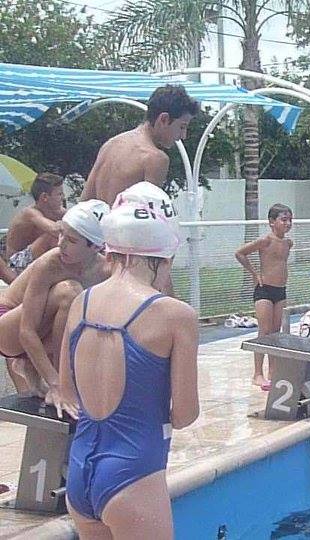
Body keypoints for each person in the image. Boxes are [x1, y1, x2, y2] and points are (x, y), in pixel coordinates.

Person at [59, 197, 198, 538]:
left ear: (111, 254)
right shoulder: (176, 315)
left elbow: (67, 392)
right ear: (162, 260)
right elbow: (184, 415)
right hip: (134, 475)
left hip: (79, 472)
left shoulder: (81, 302)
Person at [0, 200, 111, 404]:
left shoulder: (106, 271)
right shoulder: (51, 263)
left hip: (38, 331)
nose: (60, 244)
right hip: (7, 324)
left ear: (96, 246)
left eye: (71, 240)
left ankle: (31, 365)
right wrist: (57, 385)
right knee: (69, 291)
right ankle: (59, 378)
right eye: (61, 234)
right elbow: (27, 330)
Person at [81, 85, 199, 206]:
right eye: (182, 127)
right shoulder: (155, 158)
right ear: (163, 119)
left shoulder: (111, 144)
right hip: (125, 218)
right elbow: (150, 213)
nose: (183, 135)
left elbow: (83, 203)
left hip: (100, 217)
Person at [235, 203, 293, 390]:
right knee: (264, 331)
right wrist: (254, 274)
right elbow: (240, 253)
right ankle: (257, 373)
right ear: (271, 222)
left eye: (290, 220)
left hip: (280, 291)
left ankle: (272, 371)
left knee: (275, 333)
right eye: (283, 220)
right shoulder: (265, 240)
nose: (288, 224)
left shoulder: (288, 243)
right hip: (264, 290)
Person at [4, 172, 66, 277]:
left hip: (36, 259)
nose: (63, 197)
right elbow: (55, 230)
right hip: (16, 264)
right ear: (45, 197)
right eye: (59, 194)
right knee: (51, 237)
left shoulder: (60, 212)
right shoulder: (30, 213)